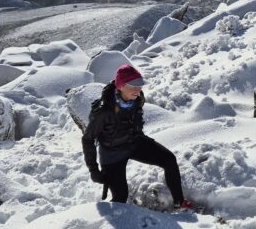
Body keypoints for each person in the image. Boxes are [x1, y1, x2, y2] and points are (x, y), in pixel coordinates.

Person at [81, 63, 194, 211]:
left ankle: (179, 203)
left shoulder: (137, 98)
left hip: (134, 142)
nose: (138, 90)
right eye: (133, 86)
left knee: (169, 160)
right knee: (120, 197)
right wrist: (93, 170)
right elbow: (88, 139)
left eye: (139, 85)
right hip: (112, 154)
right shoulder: (104, 111)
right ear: (121, 86)